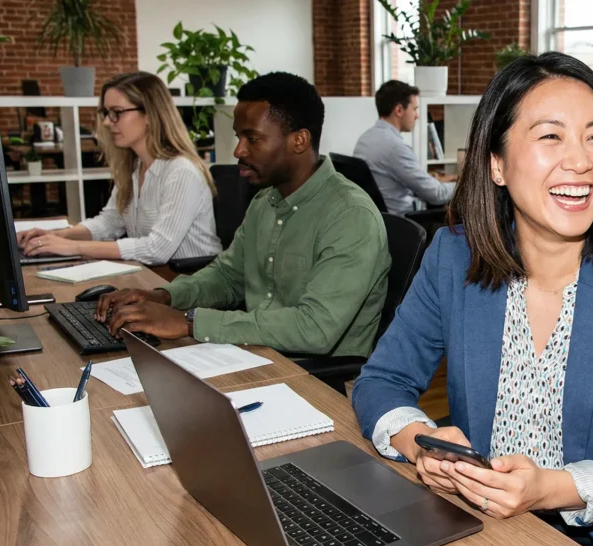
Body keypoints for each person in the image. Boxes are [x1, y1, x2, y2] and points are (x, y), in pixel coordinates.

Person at [351, 53, 593, 546]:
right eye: (550, 137)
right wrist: (420, 445)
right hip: (482, 527)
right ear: (496, 163)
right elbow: (381, 380)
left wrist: (547, 488)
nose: (581, 162)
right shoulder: (454, 257)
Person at [95, 72, 391, 357]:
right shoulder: (265, 201)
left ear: (299, 141)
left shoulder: (350, 216)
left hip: (316, 375)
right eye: (239, 137)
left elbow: (315, 329)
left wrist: (188, 322)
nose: (238, 150)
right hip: (255, 351)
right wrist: (164, 296)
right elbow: (228, 276)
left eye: (253, 138)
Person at [18, 72, 221, 265]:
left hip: (191, 284)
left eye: (117, 113)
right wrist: (56, 235)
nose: (107, 122)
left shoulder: (181, 171)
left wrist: (73, 247)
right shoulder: (135, 166)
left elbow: (157, 249)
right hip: (153, 278)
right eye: (106, 113)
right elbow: (110, 222)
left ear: (149, 114)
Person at [353, 80, 456, 215]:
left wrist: (432, 181)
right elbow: (437, 195)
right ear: (399, 110)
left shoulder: (365, 139)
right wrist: (468, 185)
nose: (417, 115)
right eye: (414, 109)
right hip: (403, 223)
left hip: (378, 219)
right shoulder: (395, 148)